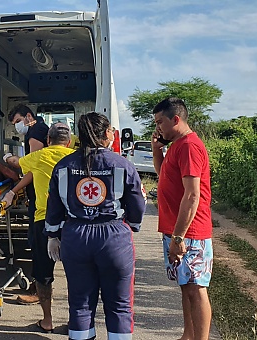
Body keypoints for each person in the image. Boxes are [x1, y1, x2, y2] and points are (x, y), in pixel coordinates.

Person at [45, 112, 146, 340]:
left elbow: (54, 204)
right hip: (114, 237)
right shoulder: (122, 164)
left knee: (80, 303)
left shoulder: (63, 166)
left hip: (75, 237)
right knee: (120, 305)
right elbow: (137, 203)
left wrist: (53, 234)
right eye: (110, 130)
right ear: (105, 134)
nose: (112, 134)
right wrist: (132, 225)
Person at [1, 123, 75, 332]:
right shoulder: (75, 157)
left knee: (43, 275)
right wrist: (15, 190)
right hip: (72, 222)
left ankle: (48, 320)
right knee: (76, 274)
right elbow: (30, 174)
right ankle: (75, 321)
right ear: (68, 142)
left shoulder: (40, 156)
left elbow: (18, 165)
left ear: (48, 140)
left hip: (43, 220)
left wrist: (5, 157)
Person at [152, 97, 213, 340]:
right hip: (176, 230)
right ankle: (188, 335)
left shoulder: (189, 146)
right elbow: (163, 174)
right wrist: (158, 150)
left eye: (160, 122)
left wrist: (179, 236)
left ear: (175, 119)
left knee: (197, 289)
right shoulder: (177, 145)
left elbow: (192, 195)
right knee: (186, 287)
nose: (158, 128)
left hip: (189, 232)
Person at [7, 104, 49, 304]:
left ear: (28, 116)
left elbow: (33, 169)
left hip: (41, 198)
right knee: (38, 241)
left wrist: (14, 190)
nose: (16, 126)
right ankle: (39, 285)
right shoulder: (37, 130)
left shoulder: (36, 132)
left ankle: (38, 290)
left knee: (38, 244)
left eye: (17, 121)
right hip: (41, 195)